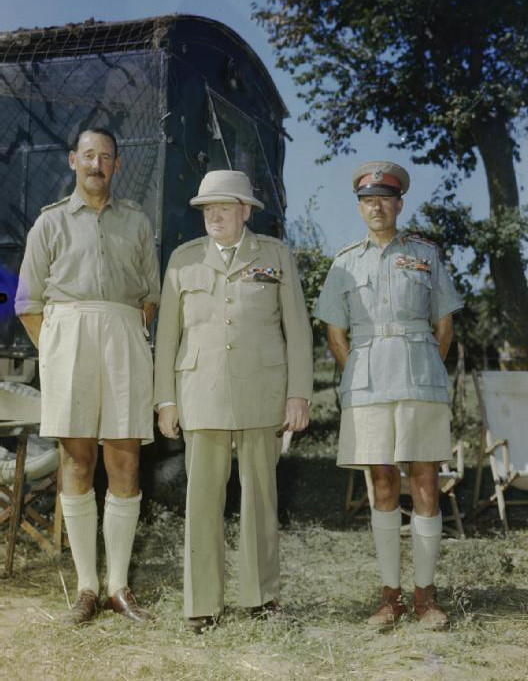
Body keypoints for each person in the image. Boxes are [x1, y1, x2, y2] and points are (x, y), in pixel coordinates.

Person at [154, 170, 313, 633]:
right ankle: (202, 603)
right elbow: (167, 338)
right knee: (202, 499)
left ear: (246, 211)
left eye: (224, 207)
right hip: (200, 393)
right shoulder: (184, 261)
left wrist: (298, 393)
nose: (214, 215)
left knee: (261, 497)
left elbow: (298, 331)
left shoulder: (276, 256)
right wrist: (166, 399)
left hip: (261, 392)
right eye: (207, 208)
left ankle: (261, 597)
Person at [15, 128, 160, 625]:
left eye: (107, 157)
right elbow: (27, 304)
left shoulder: (137, 222)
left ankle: (119, 586)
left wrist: (126, 338)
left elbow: (150, 295)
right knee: (76, 462)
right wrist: (56, 353)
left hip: (123, 336)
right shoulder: (48, 224)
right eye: (89, 156)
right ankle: (86, 589)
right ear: (73, 160)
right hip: (67, 339)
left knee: (125, 462)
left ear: (117, 166)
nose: (97, 164)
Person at [315, 161, 462, 630]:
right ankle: (389, 597)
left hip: (420, 378)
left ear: (399, 204)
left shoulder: (426, 255)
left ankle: (425, 597)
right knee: (380, 483)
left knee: (424, 482)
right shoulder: (344, 262)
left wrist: (419, 362)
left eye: (384, 199)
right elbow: (335, 333)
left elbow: (444, 329)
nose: (376, 207)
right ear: (360, 207)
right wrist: (361, 369)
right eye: (367, 200)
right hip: (367, 383)